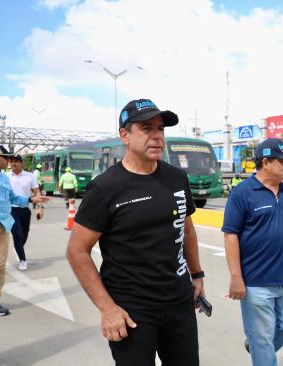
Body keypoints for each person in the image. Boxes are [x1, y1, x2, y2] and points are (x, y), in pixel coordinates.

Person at [67, 98, 205, 365]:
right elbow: (77, 251)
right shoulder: (105, 188)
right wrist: (107, 309)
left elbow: (186, 229)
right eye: (146, 128)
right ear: (124, 135)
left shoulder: (176, 178)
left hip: (179, 302)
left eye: (160, 129)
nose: (156, 136)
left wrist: (197, 275)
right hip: (131, 310)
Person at [222, 138, 283, 366]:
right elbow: (230, 235)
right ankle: (260, 347)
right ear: (266, 162)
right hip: (256, 284)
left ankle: (258, 346)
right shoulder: (242, 193)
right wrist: (236, 277)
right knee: (263, 340)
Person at [0, 144, 49, 316]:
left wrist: (32, 198)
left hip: (3, 226)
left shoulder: (5, 178)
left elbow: (13, 198)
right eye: (6, 157)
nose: (9, 161)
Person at [7, 154, 42, 271]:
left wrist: (39, 207)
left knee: (24, 234)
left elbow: (37, 192)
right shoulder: (6, 177)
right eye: (11, 161)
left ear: (21, 163)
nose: (13, 163)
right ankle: (22, 259)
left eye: (16, 161)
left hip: (25, 209)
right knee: (18, 235)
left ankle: (18, 248)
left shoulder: (30, 176)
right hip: (11, 209)